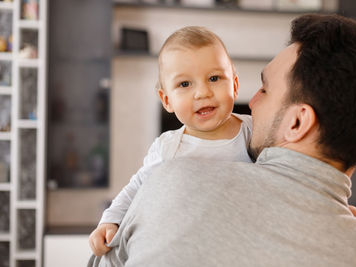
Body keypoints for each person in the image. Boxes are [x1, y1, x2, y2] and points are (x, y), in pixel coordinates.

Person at [88, 14, 356, 266]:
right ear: (166, 98)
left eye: (263, 90)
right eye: (185, 84)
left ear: (296, 122)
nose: (251, 104)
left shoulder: (171, 182)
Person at [89, 26, 254, 256]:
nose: (202, 92)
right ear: (167, 100)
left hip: (240, 237)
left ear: (234, 86)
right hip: (191, 241)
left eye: (214, 78)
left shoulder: (252, 130)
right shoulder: (168, 148)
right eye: (185, 84)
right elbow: (137, 186)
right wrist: (110, 220)